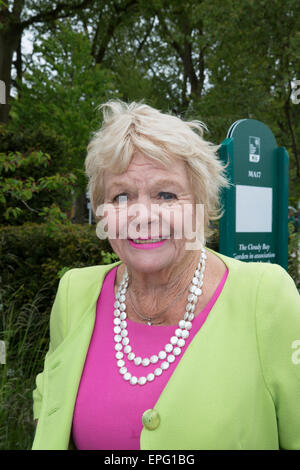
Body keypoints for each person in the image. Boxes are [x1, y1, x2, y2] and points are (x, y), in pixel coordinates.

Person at [32, 100, 300, 450]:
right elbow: (48, 402)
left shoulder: (266, 296)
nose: (142, 215)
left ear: (201, 206)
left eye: (166, 194)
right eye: (122, 196)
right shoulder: (75, 293)